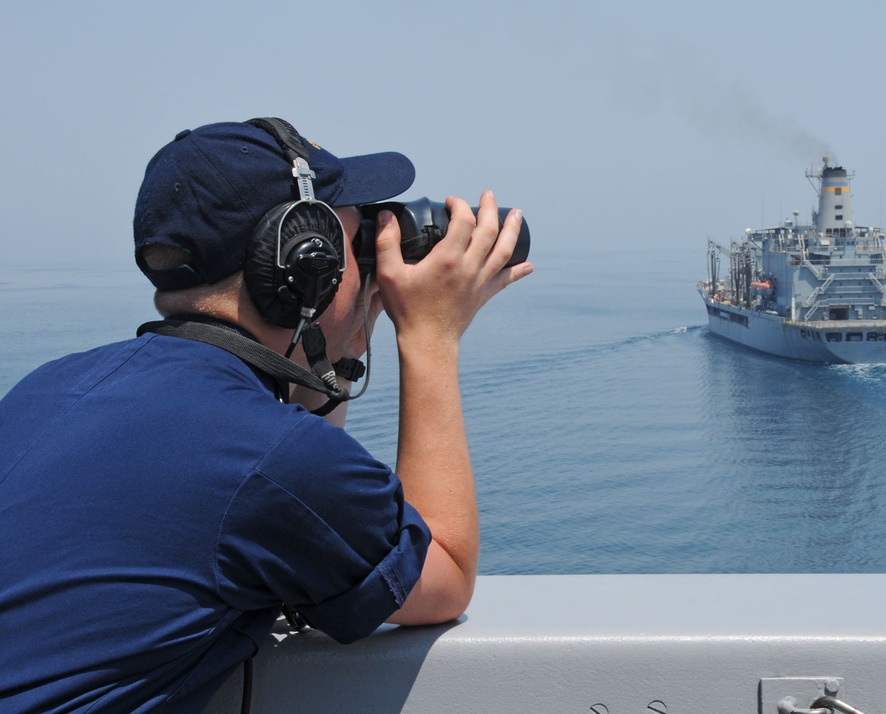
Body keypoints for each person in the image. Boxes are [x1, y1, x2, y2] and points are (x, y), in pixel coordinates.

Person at [0, 118, 533, 712]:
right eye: (353, 244)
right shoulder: (271, 460)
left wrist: (335, 342)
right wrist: (431, 337)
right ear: (305, 263)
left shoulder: (46, 389)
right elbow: (443, 572)